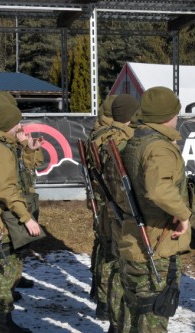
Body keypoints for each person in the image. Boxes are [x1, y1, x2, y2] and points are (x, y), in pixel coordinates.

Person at [117, 86, 192, 333]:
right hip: (154, 243)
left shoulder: (135, 141)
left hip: (135, 238)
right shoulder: (160, 147)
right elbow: (159, 188)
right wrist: (183, 213)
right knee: (153, 320)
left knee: (136, 315)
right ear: (168, 114)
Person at [0, 103, 43, 333]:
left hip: (2, 214)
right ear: (6, 124)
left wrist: (27, 147)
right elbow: (5, 190)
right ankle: (3, 322)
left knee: (8, 264)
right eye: (16, 123)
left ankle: (3, 319)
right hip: (5, 217)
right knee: (7, 267)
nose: (19, 127)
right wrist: (26, 218)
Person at [91, 94, 139, 333]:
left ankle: (111, 316)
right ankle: (116, 322)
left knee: (112, 258)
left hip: (108, 204)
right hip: (119, 208)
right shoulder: (120, 139)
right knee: (119, 265)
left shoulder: (100, 135)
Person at [88, 94, 118, 321]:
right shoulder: (110, 136)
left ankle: (98, 290)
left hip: (100, 198)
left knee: (102, 244)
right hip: (108, 199)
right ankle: (105, 299)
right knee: (110, 251)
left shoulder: (97, 133)